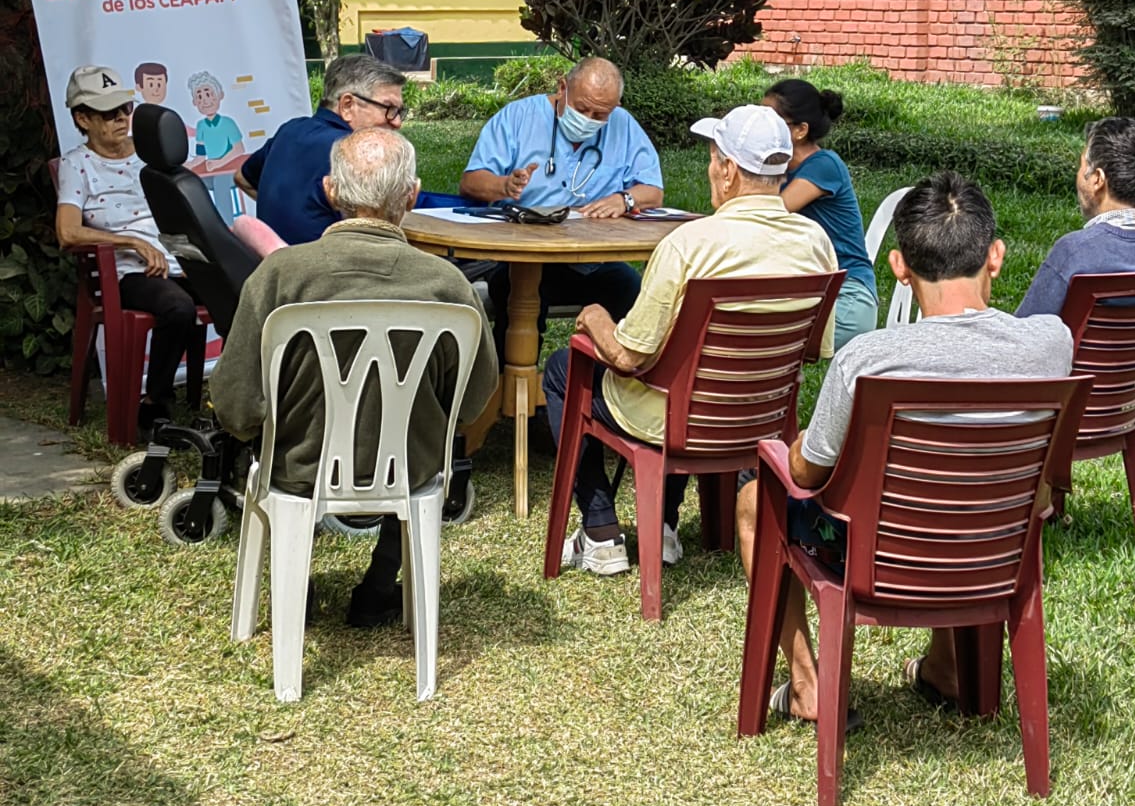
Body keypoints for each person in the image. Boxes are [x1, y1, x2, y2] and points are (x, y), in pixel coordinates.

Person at [736, 170, 1074, 722]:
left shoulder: (868, 359)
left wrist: (790, 449)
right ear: (995, 256)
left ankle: (807, 687)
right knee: (962, 482)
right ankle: (944, 667)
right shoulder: (1050, 343)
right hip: (995, 548)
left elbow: (806, 473)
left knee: (755, 501)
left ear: (898, 266)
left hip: (881, 557)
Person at [210, 128, 498, 626]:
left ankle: (292, 582)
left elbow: (234, 400)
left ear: (331, 191)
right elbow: (472, 399)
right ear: (411, 194)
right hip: (410, 467)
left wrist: (266, 432)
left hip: (298, 466)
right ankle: (380, 584)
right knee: (412, 449)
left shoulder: (280, 276)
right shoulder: (448, 284)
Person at [541, 105, 838, 576]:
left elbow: (626, 354)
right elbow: (814, 349)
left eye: (712, 157)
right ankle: (663, 525)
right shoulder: (816, 241)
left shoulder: (689, 243)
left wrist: (596, 317)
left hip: (677, 421)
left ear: (729, 170)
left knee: (563, 367)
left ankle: (600, 531)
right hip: (759, 416)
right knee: (681, 371)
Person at [460, 57, 664, 360]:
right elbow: (471, 181)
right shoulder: (517, 118)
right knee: (519, 294)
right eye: (582, 109)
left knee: (632, 292)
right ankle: (513, 391)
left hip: (591, 260)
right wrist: (505, 186)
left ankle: (614, 388)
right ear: (562, 87)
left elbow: (652, 191)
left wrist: (625, 200)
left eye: (601, 114)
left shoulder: (623, 125)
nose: (590, 119)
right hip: (522, 259)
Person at [55, 65, 200, 435]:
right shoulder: (78, 164)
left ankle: (237, 399)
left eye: (125, 108)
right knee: (177, 308)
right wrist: (131, 241)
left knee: (242, 288)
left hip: (175, 254)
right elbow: (67, 233)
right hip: (126, 270)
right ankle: (154, 404)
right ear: (82, 119)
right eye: (109, 113)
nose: (121, 118)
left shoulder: (150, 154)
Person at [1017, 116, 1135, 350]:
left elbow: (1022, 343)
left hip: (1066, 387)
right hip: (1131, 385)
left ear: (1098, 179)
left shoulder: (1074, 252)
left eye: (1082, 166)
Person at [234, 53, 408, 245]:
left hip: (273, 266)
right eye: (389, 109)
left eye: (399, 112)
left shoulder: (290, 130)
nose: (397, 122)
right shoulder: (358, 153)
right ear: (348, 105)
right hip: (329, 270)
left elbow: (242, 178)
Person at [762, 79, 878, 349]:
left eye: (771, 120)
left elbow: (769, 214)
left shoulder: (823, 165)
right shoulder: (783, 168)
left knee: (756, 343)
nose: (761, 128)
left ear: (801, 130)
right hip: (811, 293)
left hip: (847, 298)